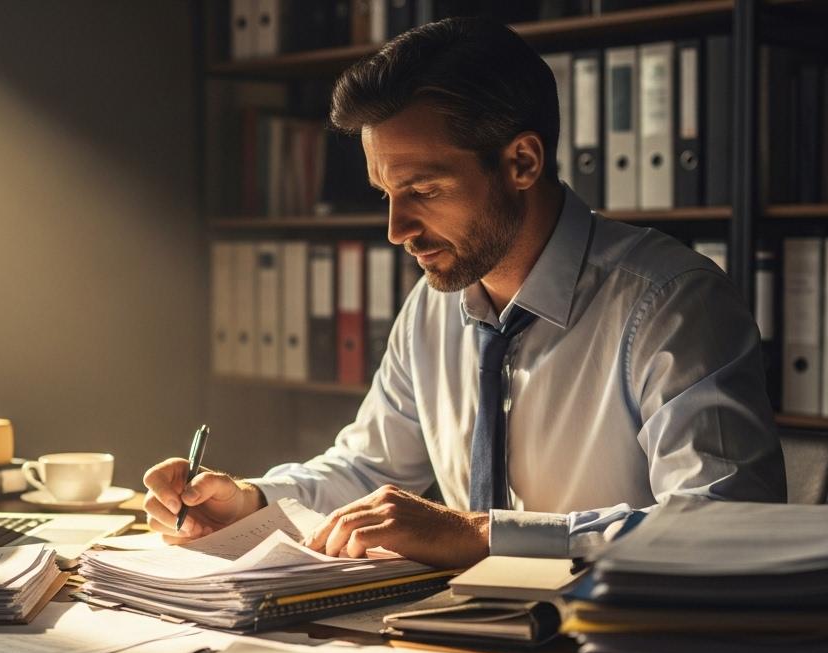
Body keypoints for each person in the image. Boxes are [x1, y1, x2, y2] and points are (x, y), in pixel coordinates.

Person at [144, 17, 786, 568]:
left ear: (522, 162)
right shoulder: (433, 304)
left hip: (614, 642)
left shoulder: (673, 303)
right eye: (385, 194)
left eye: (423, 191)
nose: (396, 230)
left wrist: (481, 535)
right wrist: (251, 502)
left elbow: (723, 526)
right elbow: (368, 470)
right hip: (457, 637)